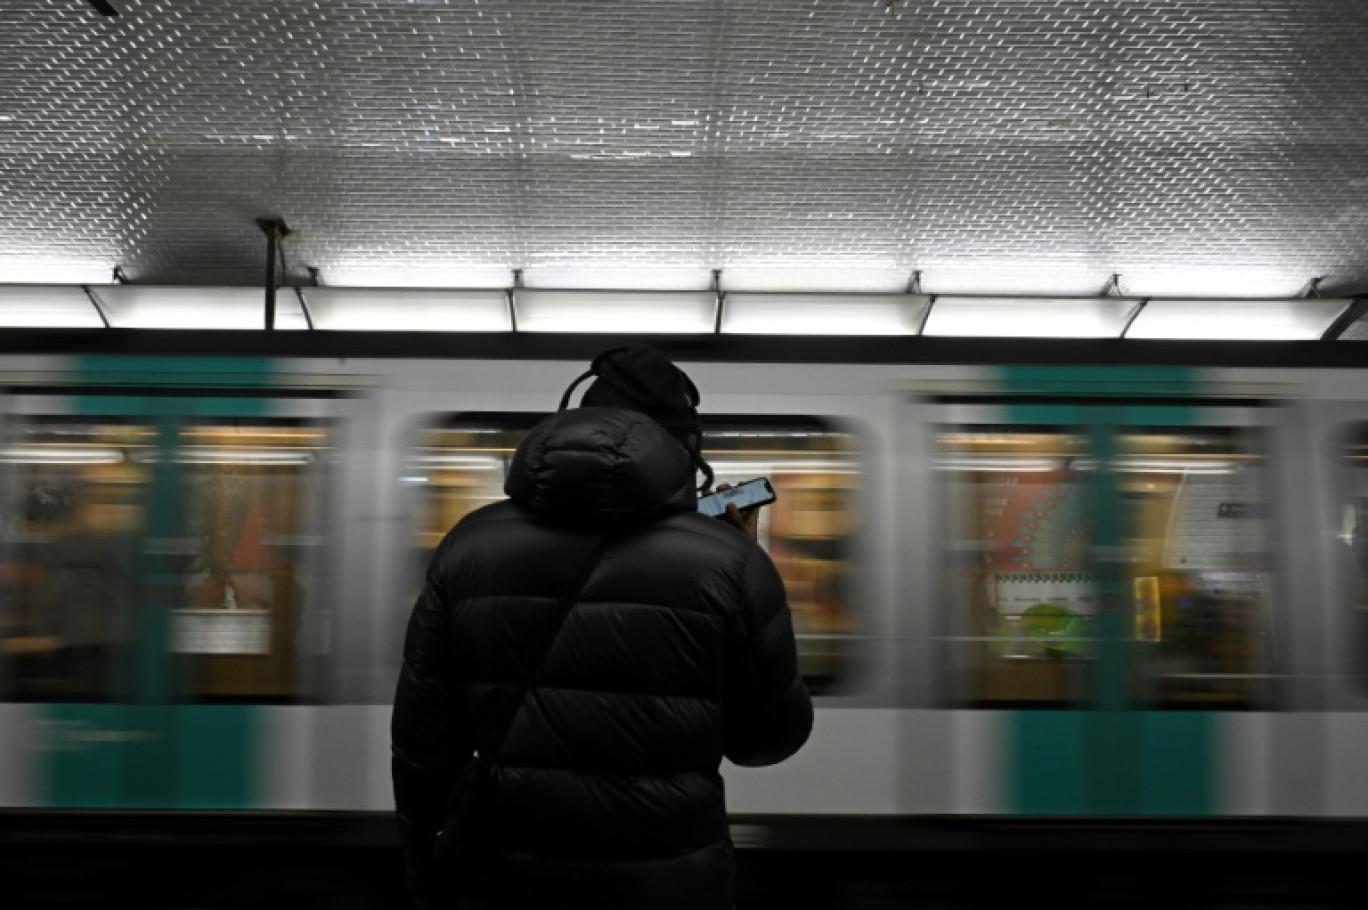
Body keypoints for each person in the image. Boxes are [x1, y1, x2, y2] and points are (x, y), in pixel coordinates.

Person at [391, 343, 814, 910]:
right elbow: (765, 741)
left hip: (508, 878)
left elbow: (424, 743)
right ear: (686, 448)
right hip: (668, 884)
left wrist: (422, 870)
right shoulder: (730, 563)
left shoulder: (470, 543)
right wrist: (746, 573)